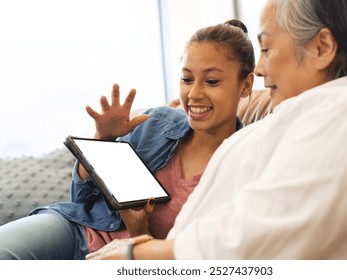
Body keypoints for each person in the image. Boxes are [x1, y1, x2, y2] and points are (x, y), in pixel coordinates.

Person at [86, 0, 347, 260]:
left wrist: (137, 254)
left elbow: (261, 233)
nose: (259, 69)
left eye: (268, 48)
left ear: (321, 48)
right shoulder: (304, 116)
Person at [0, 19, 255, 260]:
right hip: (78, 228)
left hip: (127, 260)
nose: (194, 93)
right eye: (187, 79)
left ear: (245, 84)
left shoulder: (246, 167)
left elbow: (182, 262)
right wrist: (103, 140)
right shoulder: (156, 122)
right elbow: (82, 199)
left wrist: (139, 231)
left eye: (211, 81)